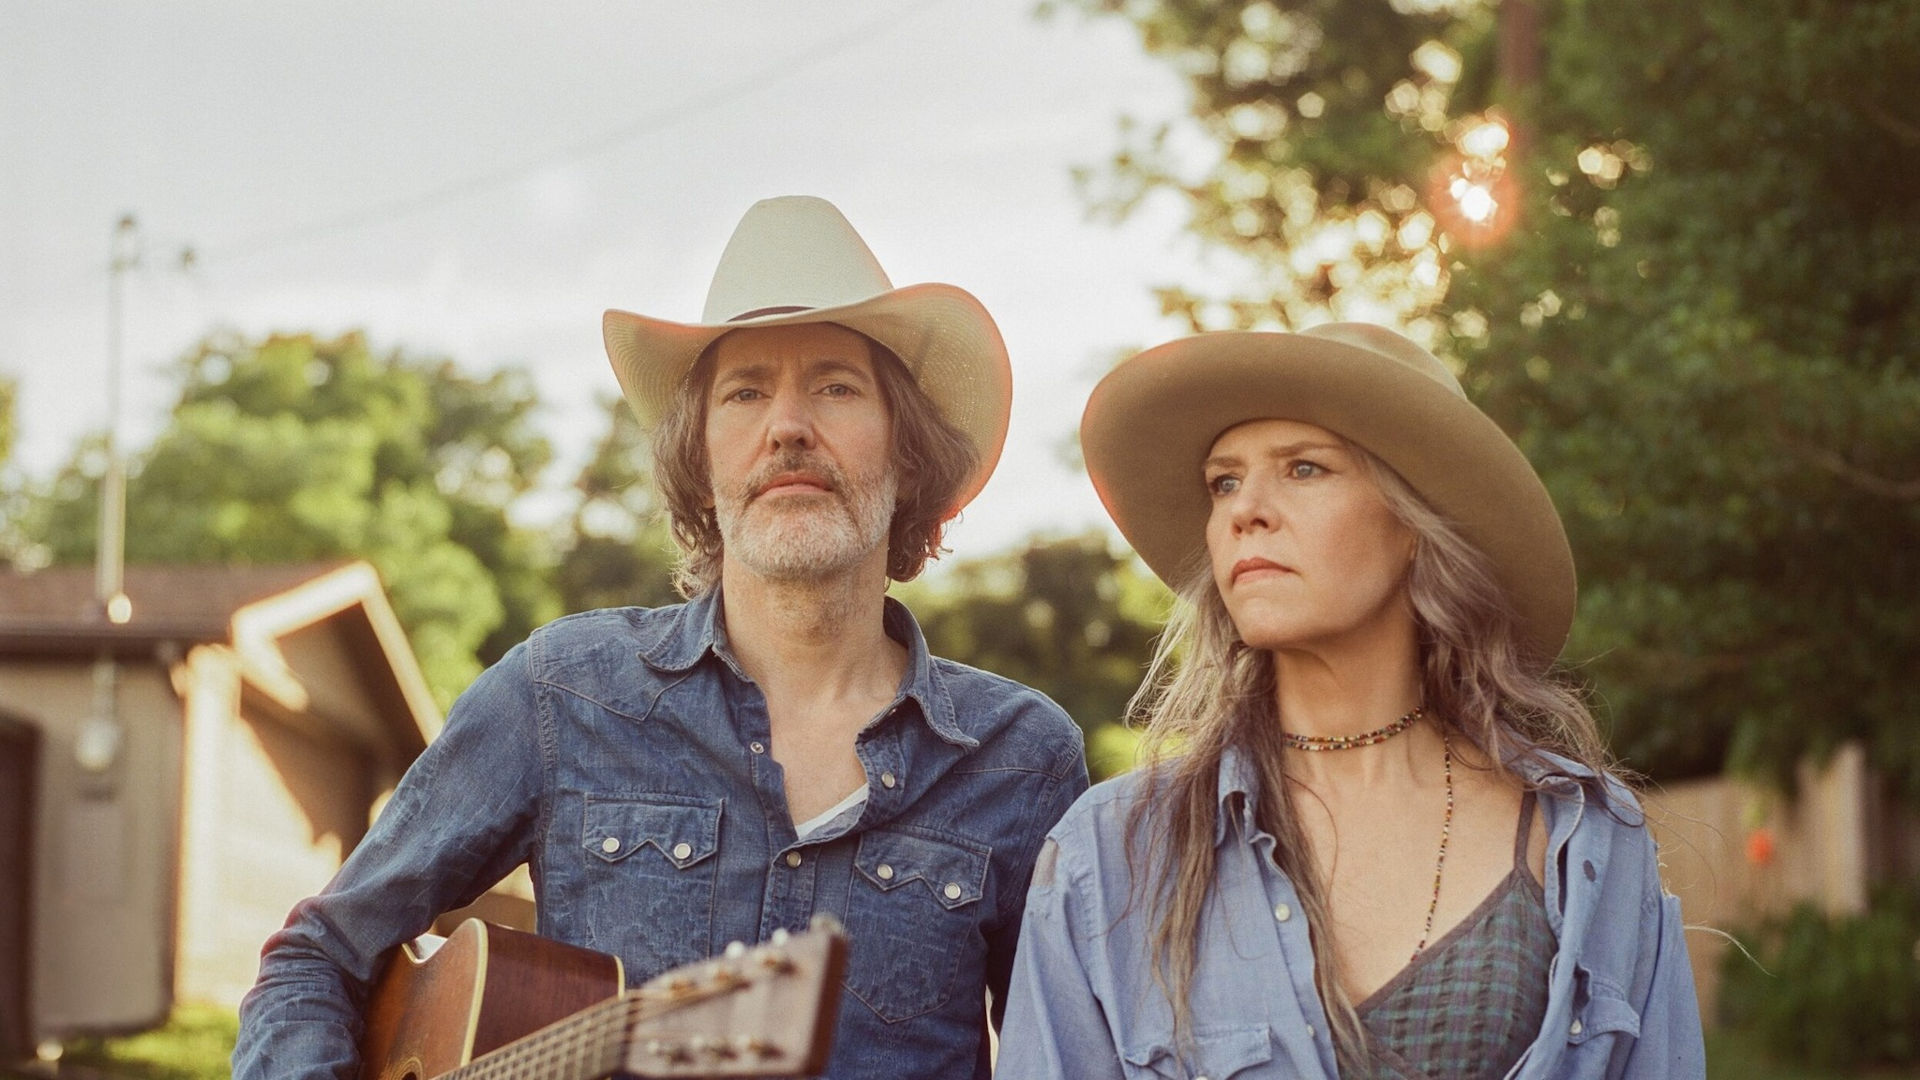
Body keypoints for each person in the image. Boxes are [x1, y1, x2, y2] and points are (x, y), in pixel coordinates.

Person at [231, 196, 1088, 1080]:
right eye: (746, 391)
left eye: (835, 386)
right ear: (699, 457)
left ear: (907, 453)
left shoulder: (1023, 760)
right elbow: (315, 958)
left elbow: (1067, 1057)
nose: (786, 425)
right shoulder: (563, 693)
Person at [998, 324, 1704, 1079]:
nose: (1246, 511)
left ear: (1414, 526)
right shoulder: (1106, 861)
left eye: (1304, 469)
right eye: (1224, 481)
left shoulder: (1589, 842)